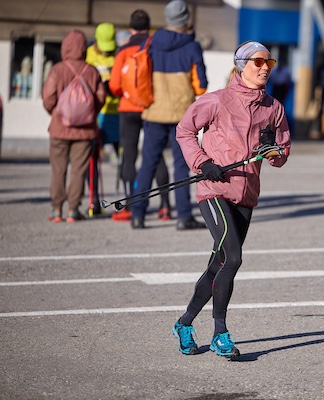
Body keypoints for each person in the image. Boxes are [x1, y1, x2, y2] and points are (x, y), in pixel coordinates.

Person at [172, 41, 291, 358]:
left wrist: (274, 153)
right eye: (258, 62)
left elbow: (282, 153)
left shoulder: (274, 108)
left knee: (220, 264)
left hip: (245, 194)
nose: (265, 68)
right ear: (242, 65)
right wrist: (202, 163)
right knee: (234, 258)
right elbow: (184, 131)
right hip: (214, 190)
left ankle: (184, 323)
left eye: (269, 63)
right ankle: (220, 333)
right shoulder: (216, 101)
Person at [129, 0, 209, 230]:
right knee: (181, 166)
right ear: (186, 19)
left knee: (147, 164)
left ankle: (138, 215)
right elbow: (201, 86)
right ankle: (184, 216)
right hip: (181, 115)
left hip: (154, 111)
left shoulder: (150, 42)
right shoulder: (192, 46)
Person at [108, 9, 173, 222]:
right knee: (155, 154)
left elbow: (114, 85)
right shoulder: (155, 47)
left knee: (129, 155)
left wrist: (127, 93)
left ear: (131, 28)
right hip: (151, 107)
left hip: (128, 108)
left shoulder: (123, 50)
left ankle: (129, 205)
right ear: (148, 27)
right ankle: (165, 206)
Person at [42, 29, 106, 223]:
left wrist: (56, 113)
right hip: (85, 131)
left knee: (58, 169)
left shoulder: (57, 69)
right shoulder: (91, 71)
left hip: (59, 128)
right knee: (79, 170)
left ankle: (56, 210)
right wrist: (89, 114)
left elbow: (48, 97)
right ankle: (73, 210)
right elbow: (100, 98)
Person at [86, 22, 120, 216]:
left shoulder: (118, 54)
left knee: (124, 160)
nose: (107, 52)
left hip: (117, 112)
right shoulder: (88, 55)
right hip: (96, 112)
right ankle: (94, 201)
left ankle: (125, 202)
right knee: (92, 159)